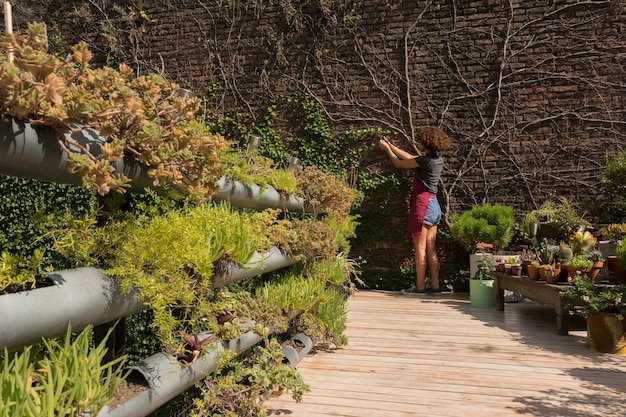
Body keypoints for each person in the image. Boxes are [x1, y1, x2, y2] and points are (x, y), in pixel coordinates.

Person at [379, 126, 451, 294]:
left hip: (423, 205)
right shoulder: (436, 160)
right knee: (431, 248)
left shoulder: (425, 161)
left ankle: (419, 287)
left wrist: (387, 150)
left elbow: (400, 163)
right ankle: (435, 285)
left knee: (420, 248)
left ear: (426, 142)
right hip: (434, 205)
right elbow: (411, 157)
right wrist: (391, 144)